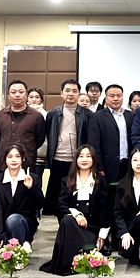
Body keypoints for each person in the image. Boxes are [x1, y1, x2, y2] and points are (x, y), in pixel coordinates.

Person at [40, 145, 110, 275]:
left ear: (93, 159)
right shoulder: (67, 180)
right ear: (76, 159)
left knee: (90, 255)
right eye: (81, 156)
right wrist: (77, 214)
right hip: (73, 226)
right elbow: (61, 205)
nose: (84, 159)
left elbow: (105, 209)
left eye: (88, 156)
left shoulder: (100, 181)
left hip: (92, 228)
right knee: (67, 220)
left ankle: (81, 256)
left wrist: (102, 235)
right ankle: (67, 264)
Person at [88, 84, 134, 252]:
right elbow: (94, 144)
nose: (115, 98)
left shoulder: (130, 116)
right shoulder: (98, 117)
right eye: (112, 96)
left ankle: (120, 238)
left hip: (126, 166)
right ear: (105, 98)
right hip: (107, 168)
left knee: (124, 202)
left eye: (118, 95)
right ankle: (105, 239)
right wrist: (99, 167)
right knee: (107, 203)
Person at [43, 79, 92, 219]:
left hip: (77, 161)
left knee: (74, 194)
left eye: (74, 91)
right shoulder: (52, 114)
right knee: (57, 196)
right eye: (67, 90)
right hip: (57, 160)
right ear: (61, 93)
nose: (71, 94)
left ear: (79, 94)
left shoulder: (87, 115)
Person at [0, 143, 44, 247]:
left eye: (17, 156)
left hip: (24, 223)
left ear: (23, 158)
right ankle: (10, 244)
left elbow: (39, 204)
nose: (13, 160)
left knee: (13, 220)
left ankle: (19, 247)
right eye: (10, 156)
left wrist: (31, 188)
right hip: (3, 225)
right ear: (5, 159)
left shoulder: (33, 178)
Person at [0, 79, 46, 173]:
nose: (17, 95)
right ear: (8, 96)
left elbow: (39, 140)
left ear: (26, 95)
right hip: (4, 164)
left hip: (27, 164)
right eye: (13, 92)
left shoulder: (37, 116)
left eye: (21, 92)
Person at [27, 87, 48, 179]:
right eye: (31, 97)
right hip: (23, 156)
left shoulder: (46, 115)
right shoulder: (21, 113)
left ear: (41, 99)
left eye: (37, 97)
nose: (34, 99)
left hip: (40, 156)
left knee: (37, 181)